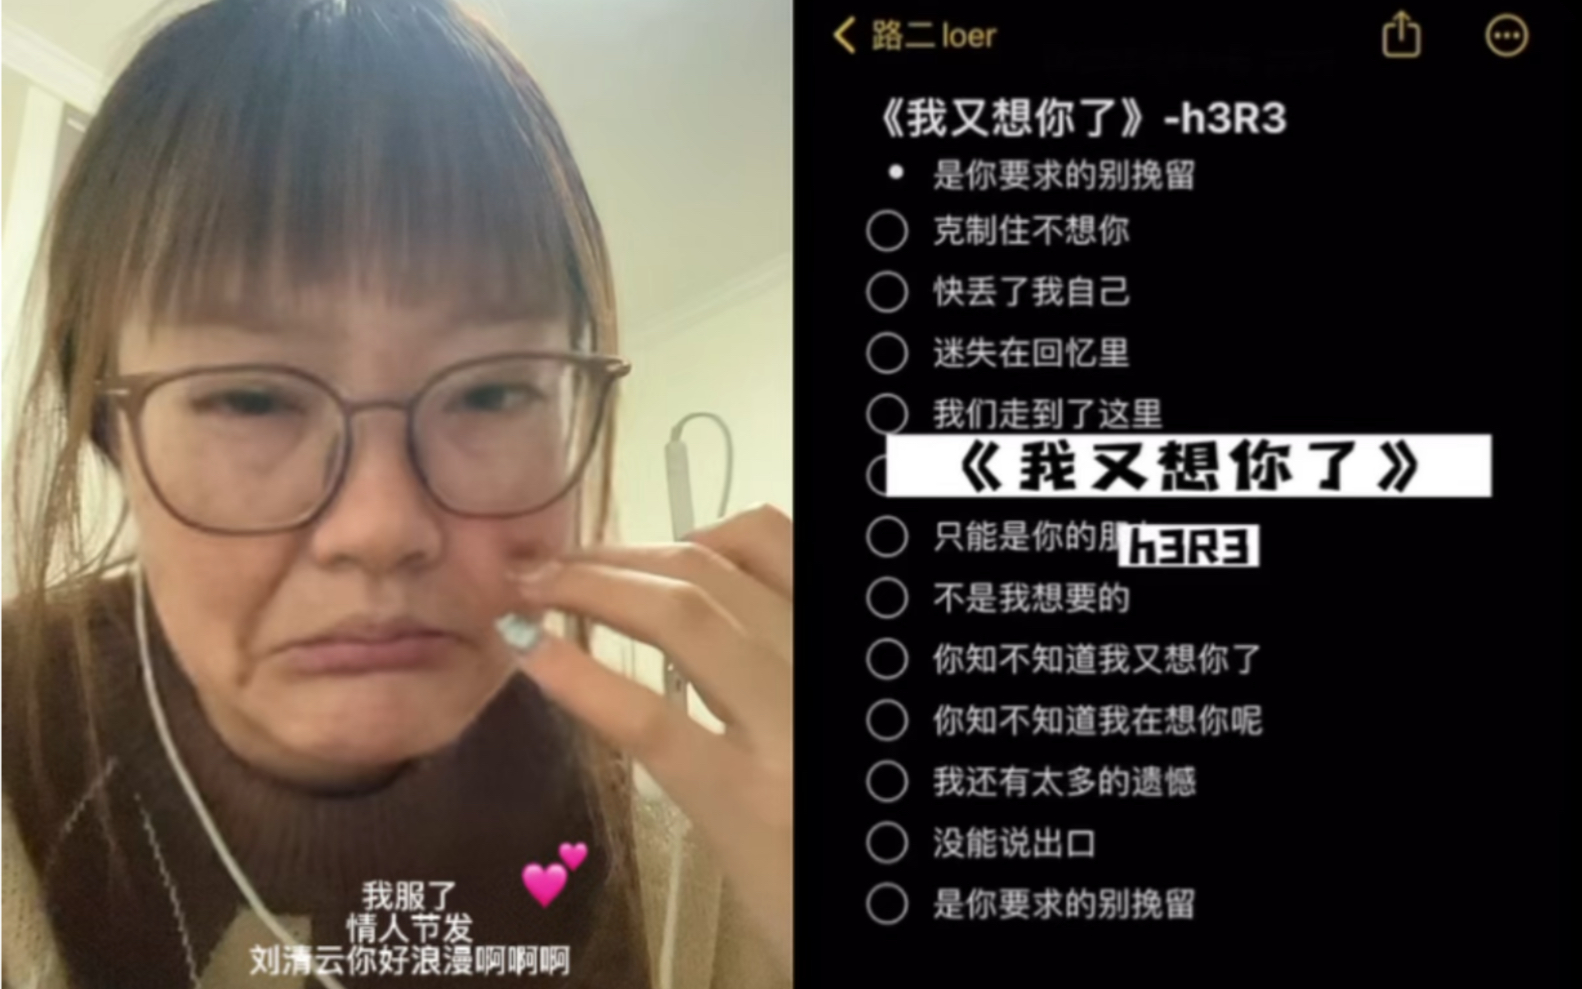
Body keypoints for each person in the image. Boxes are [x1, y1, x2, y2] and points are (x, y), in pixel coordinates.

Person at [0, 1, 792, 987]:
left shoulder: (717, 858)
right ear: (109, 430)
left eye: (491, 392)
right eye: (251, 398)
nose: (381, 525)